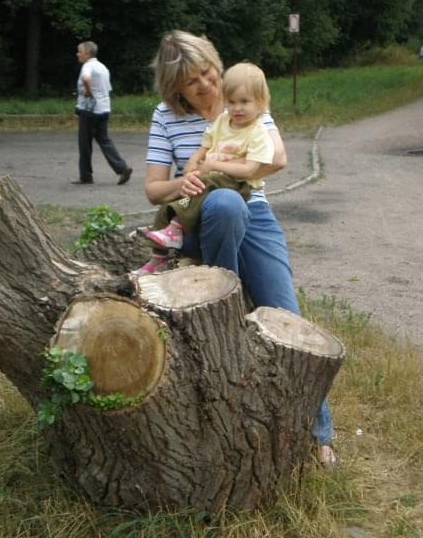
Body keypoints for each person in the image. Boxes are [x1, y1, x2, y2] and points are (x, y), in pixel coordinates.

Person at [141, 29, 337, 466]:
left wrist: (219, 162)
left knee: (286, 314)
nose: (207, 85)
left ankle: (319, 433)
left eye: (208, 71)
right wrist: (184, 180)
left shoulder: (244, 98)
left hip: (257, 215)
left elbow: (278, 158)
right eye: (193, 82)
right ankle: (223, 303)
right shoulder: (164, 116)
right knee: (225, 202)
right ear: (176, 89)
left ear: (216, 62)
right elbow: (154, 190)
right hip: (196, 217)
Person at [135, 62, 274, 274]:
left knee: (211, 194)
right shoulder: (223, 121)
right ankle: (159, 257)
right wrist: (193, 161)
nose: (237, 108)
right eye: (232, 102)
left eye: (244, 102)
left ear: (260, 103)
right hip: (205, 188)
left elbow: (250, 170)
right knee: (170, 206)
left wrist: (211, 165)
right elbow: (206, 144)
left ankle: (177, 228)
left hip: (235, 185)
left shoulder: (257, 131)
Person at [72, 41, 132, 185]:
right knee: (104, 140)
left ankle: (86, 176)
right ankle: (122, 168)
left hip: (89, 111)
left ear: (87, 53)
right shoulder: (102, 67)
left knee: (85, 144)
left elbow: (86, 78)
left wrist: (87, 90)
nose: (77, 54)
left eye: (79, 51)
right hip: (103, 108)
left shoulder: (87, 66)